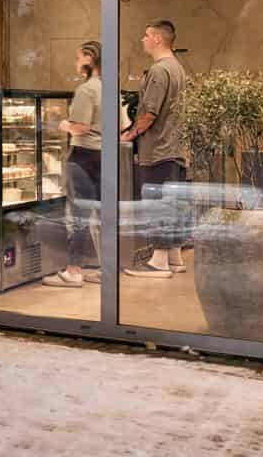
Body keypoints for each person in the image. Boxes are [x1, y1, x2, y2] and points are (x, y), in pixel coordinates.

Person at [45, 41, 123, 288]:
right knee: (102, 214)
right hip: (106, 155)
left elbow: (80, 126)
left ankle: (74, 270)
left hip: (84, 155)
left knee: (78, 215)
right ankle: (107, 268)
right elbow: (122, 125)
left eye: (78, 58)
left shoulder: (86, 90)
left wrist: (63, 124)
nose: (76, 63)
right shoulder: (111, 88)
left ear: (89, 58)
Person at [121, 19, 189, 279]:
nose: (143, 39)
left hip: (159, 150)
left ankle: (158, 261)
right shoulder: (179, 69)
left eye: (146, 34)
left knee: (158, 204)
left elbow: (149, 113)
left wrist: (130, 134)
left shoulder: (160, 71)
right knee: (173, 204)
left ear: (158, 39)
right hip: (175, 149)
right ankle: (174, 257)